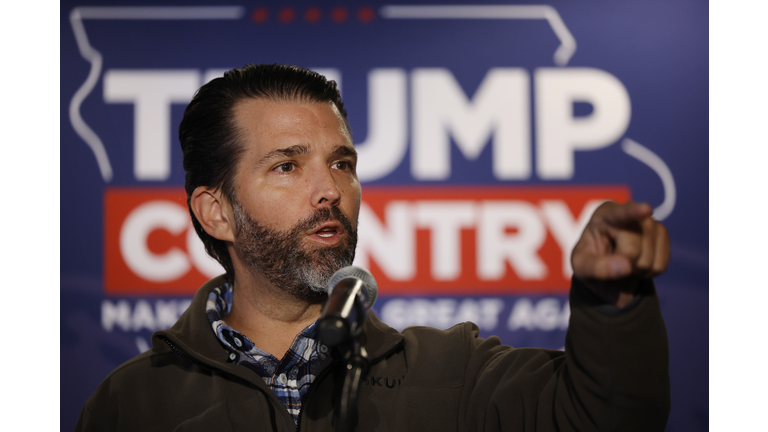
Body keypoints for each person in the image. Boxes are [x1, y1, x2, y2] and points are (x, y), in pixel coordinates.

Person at [75, 64, 670, 431]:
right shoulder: (133, 403)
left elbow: (610, 417)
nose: (330, 190)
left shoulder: (454, 372)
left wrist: (611, 299)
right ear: (217, 211)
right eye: (287, 166)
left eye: (342, 164)